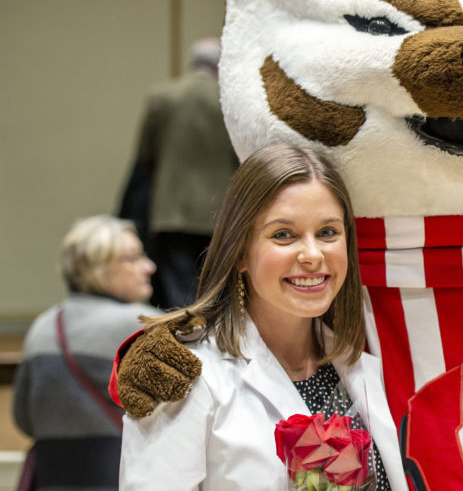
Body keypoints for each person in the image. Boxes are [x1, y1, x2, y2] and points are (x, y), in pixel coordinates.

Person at [119, 144, 407, 490]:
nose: (313, 255)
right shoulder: (183, 376)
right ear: (240, 251)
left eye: (328, 232)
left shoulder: (360, 362)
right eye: (283, 234)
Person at [12, 215, 158, 490]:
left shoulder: (43, 326)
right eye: (133, 258)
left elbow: (23, 418)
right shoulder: (143, 326)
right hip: (122, 477)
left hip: (52, 478)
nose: (149, 266)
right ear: (98, 267)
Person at [126, 37, 239, 309]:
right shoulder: (231, 99)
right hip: (221, 209)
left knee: (178, 285)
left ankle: (183, 337)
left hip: (171, 209)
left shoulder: (162, 97)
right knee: (216, 285)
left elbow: (145, 156)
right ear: (221, 65)